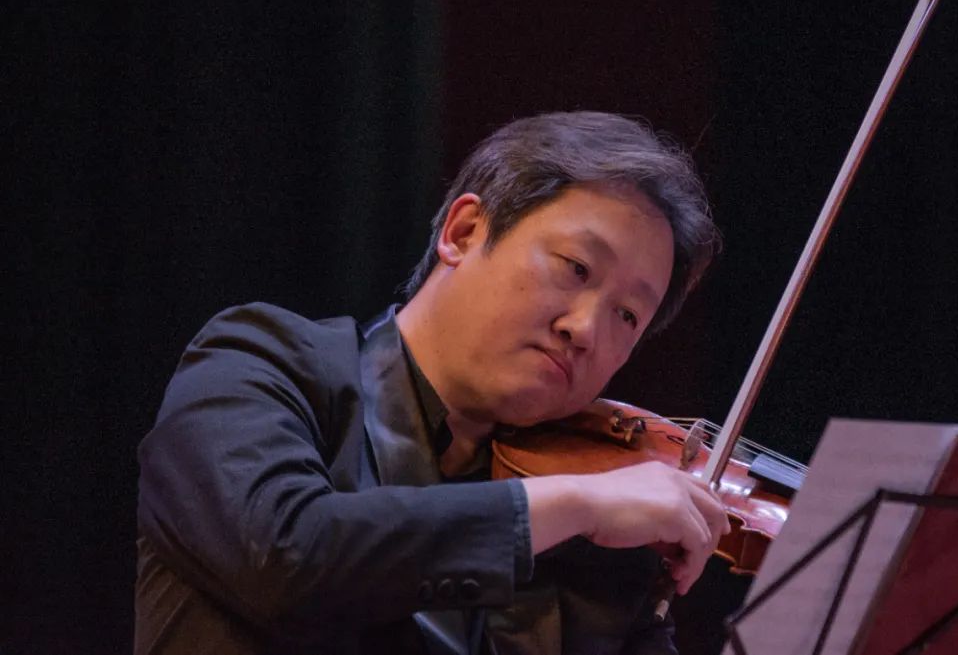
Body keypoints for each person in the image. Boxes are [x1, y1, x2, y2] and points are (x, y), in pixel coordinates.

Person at [134, 111, 729, 655]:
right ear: (464, 232)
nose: (586, 330)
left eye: (627, 315)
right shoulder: (260, 363)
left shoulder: (598, 546)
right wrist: (574, 505)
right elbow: (284, 557)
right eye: (576, 268)